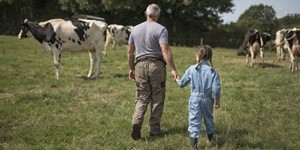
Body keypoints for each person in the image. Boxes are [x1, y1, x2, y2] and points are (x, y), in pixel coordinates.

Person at [127, 4, 179, 140]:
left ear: (146, 14)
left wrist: (131, 68)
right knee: (157, 97)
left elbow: (130, 52)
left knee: (142, 97)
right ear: (158, 16)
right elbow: (165, 50)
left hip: (139, 65)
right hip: (156, 66)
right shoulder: (161, 29)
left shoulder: (135, 29)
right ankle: (154, 130)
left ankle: (136, 123)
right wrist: (173, 69)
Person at [176, 45, 221, 149]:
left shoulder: (191, 69)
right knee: (209, 119)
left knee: (194, 120)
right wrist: (217, 99)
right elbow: (216, 88)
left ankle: (193, 146)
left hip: (195, 99)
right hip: (208, 99)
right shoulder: (213, 71)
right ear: (210, 57)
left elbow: (182, 84)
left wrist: (177, 79)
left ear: (198, 56)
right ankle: (212, 141)